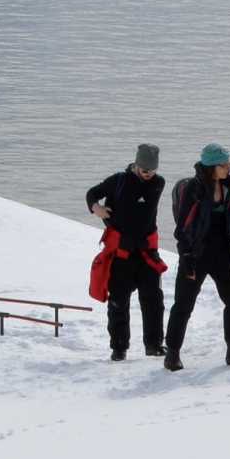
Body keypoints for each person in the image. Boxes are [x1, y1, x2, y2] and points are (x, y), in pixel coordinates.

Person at [163, 143, 230, 371]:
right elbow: (183, 229)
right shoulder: (194, 190)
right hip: (196, 256)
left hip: (221, 255)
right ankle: (172, 354)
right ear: (212, 166)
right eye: (225, 164)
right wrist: (186, 258)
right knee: (184, 305)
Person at [87, 144, 169, 361]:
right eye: (144, 170)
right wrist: (98, 209)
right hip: (121, 254)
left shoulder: (158, 184)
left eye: (152, 171)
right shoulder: (118, 181)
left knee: (153, 299)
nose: (148, 174)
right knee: (119, 302)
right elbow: (92, 194)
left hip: (146, 253)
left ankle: (153, 345)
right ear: (136, 165)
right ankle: (119, 348)